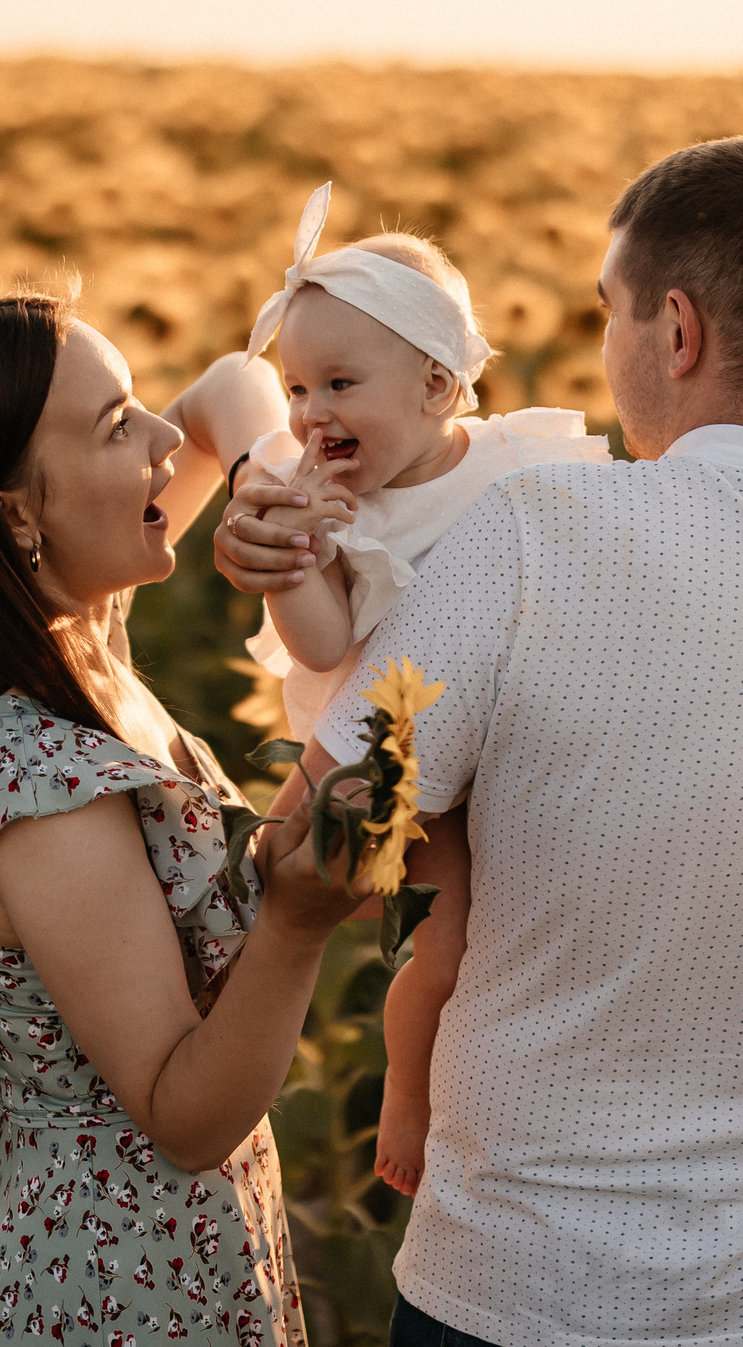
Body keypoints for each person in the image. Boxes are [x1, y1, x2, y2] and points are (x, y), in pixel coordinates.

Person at [217, 138, 743, 1347]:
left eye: (610, 313)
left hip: (532, 1285)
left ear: (677, 330)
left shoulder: (528, 537)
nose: (605, 351)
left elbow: (326, 852)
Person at [0, 294, 367, 1347]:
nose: (164, 439)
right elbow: (183, 1115)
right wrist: (295, 923)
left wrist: (268, 481)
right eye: (118, 425)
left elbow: (222, 393)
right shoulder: (42, 790)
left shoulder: (76, 640)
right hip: (115, 1290)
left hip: (160, 1262)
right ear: (15, 518)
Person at [226, 183, 605, 1197]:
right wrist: (297, 556)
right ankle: (406, 1092)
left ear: (438, 384)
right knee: (441, 947)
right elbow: (321, 648)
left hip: (522, 740)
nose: (310, 413)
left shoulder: (520, 465)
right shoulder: (333, 506)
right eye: (296, 388)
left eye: (340, 383)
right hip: (402, 757)